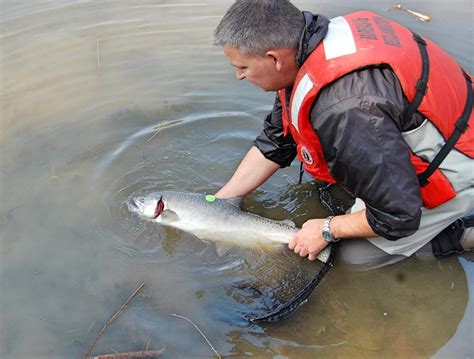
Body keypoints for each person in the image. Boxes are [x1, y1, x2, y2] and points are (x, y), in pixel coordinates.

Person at [213, 0, 473, 268]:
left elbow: (398, 216)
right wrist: (221, 203)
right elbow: (277, 140)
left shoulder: (346, 107)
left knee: (351, 257)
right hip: (438, 126)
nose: (238, 76)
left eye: (242, 67)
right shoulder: (309, 47)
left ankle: (459, 236)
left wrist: (327, 228)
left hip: (459, 162)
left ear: (274, 59)